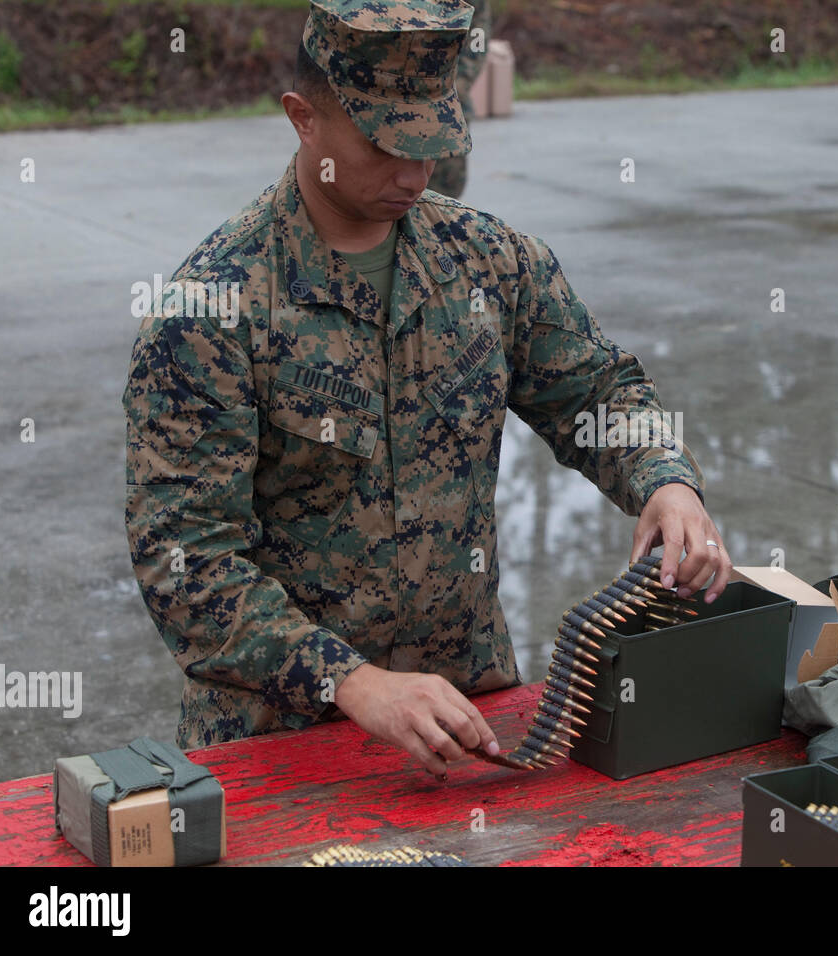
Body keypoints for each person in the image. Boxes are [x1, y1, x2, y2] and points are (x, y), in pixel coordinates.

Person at [122, 0, 730, 780]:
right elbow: (186, 561)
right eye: (384, 147)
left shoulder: (489, 262)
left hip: (469, 729)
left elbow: (595, 390)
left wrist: (665, 482)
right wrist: (353, 683)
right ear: (303, 119)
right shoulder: (212, 311)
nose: (415, 175)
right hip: (280, 747)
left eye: (435, 146)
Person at [426, 0, 489, 198]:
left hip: (447, 99)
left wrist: (461, 79)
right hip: (388, 97)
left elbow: (479, 34)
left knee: (447, 189)